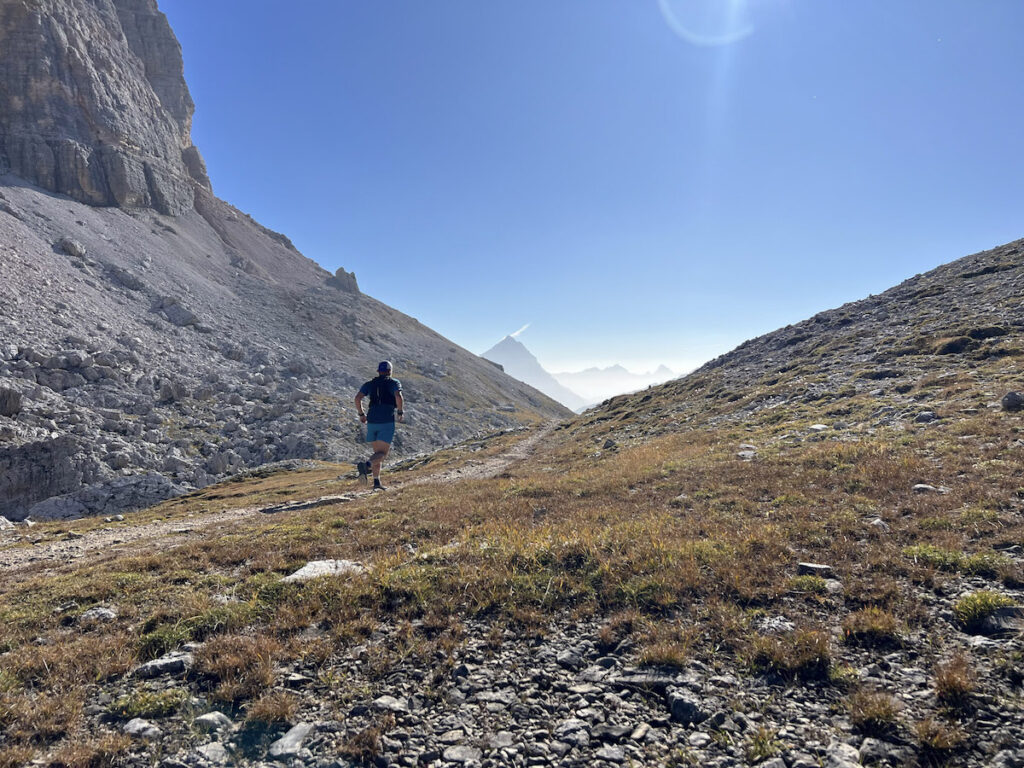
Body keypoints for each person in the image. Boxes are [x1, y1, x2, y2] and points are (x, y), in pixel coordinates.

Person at [354, 360, 403, 490]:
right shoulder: (394, 383)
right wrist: (400, 411)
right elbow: (398, 396)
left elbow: (357, 398)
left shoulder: (369, 384)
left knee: (377, 453)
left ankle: (376, 483)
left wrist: (361, 414)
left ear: (378, 371)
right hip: (386, 420)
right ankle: (367, 466)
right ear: (390, 371)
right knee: (382, 455)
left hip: (372, 420)